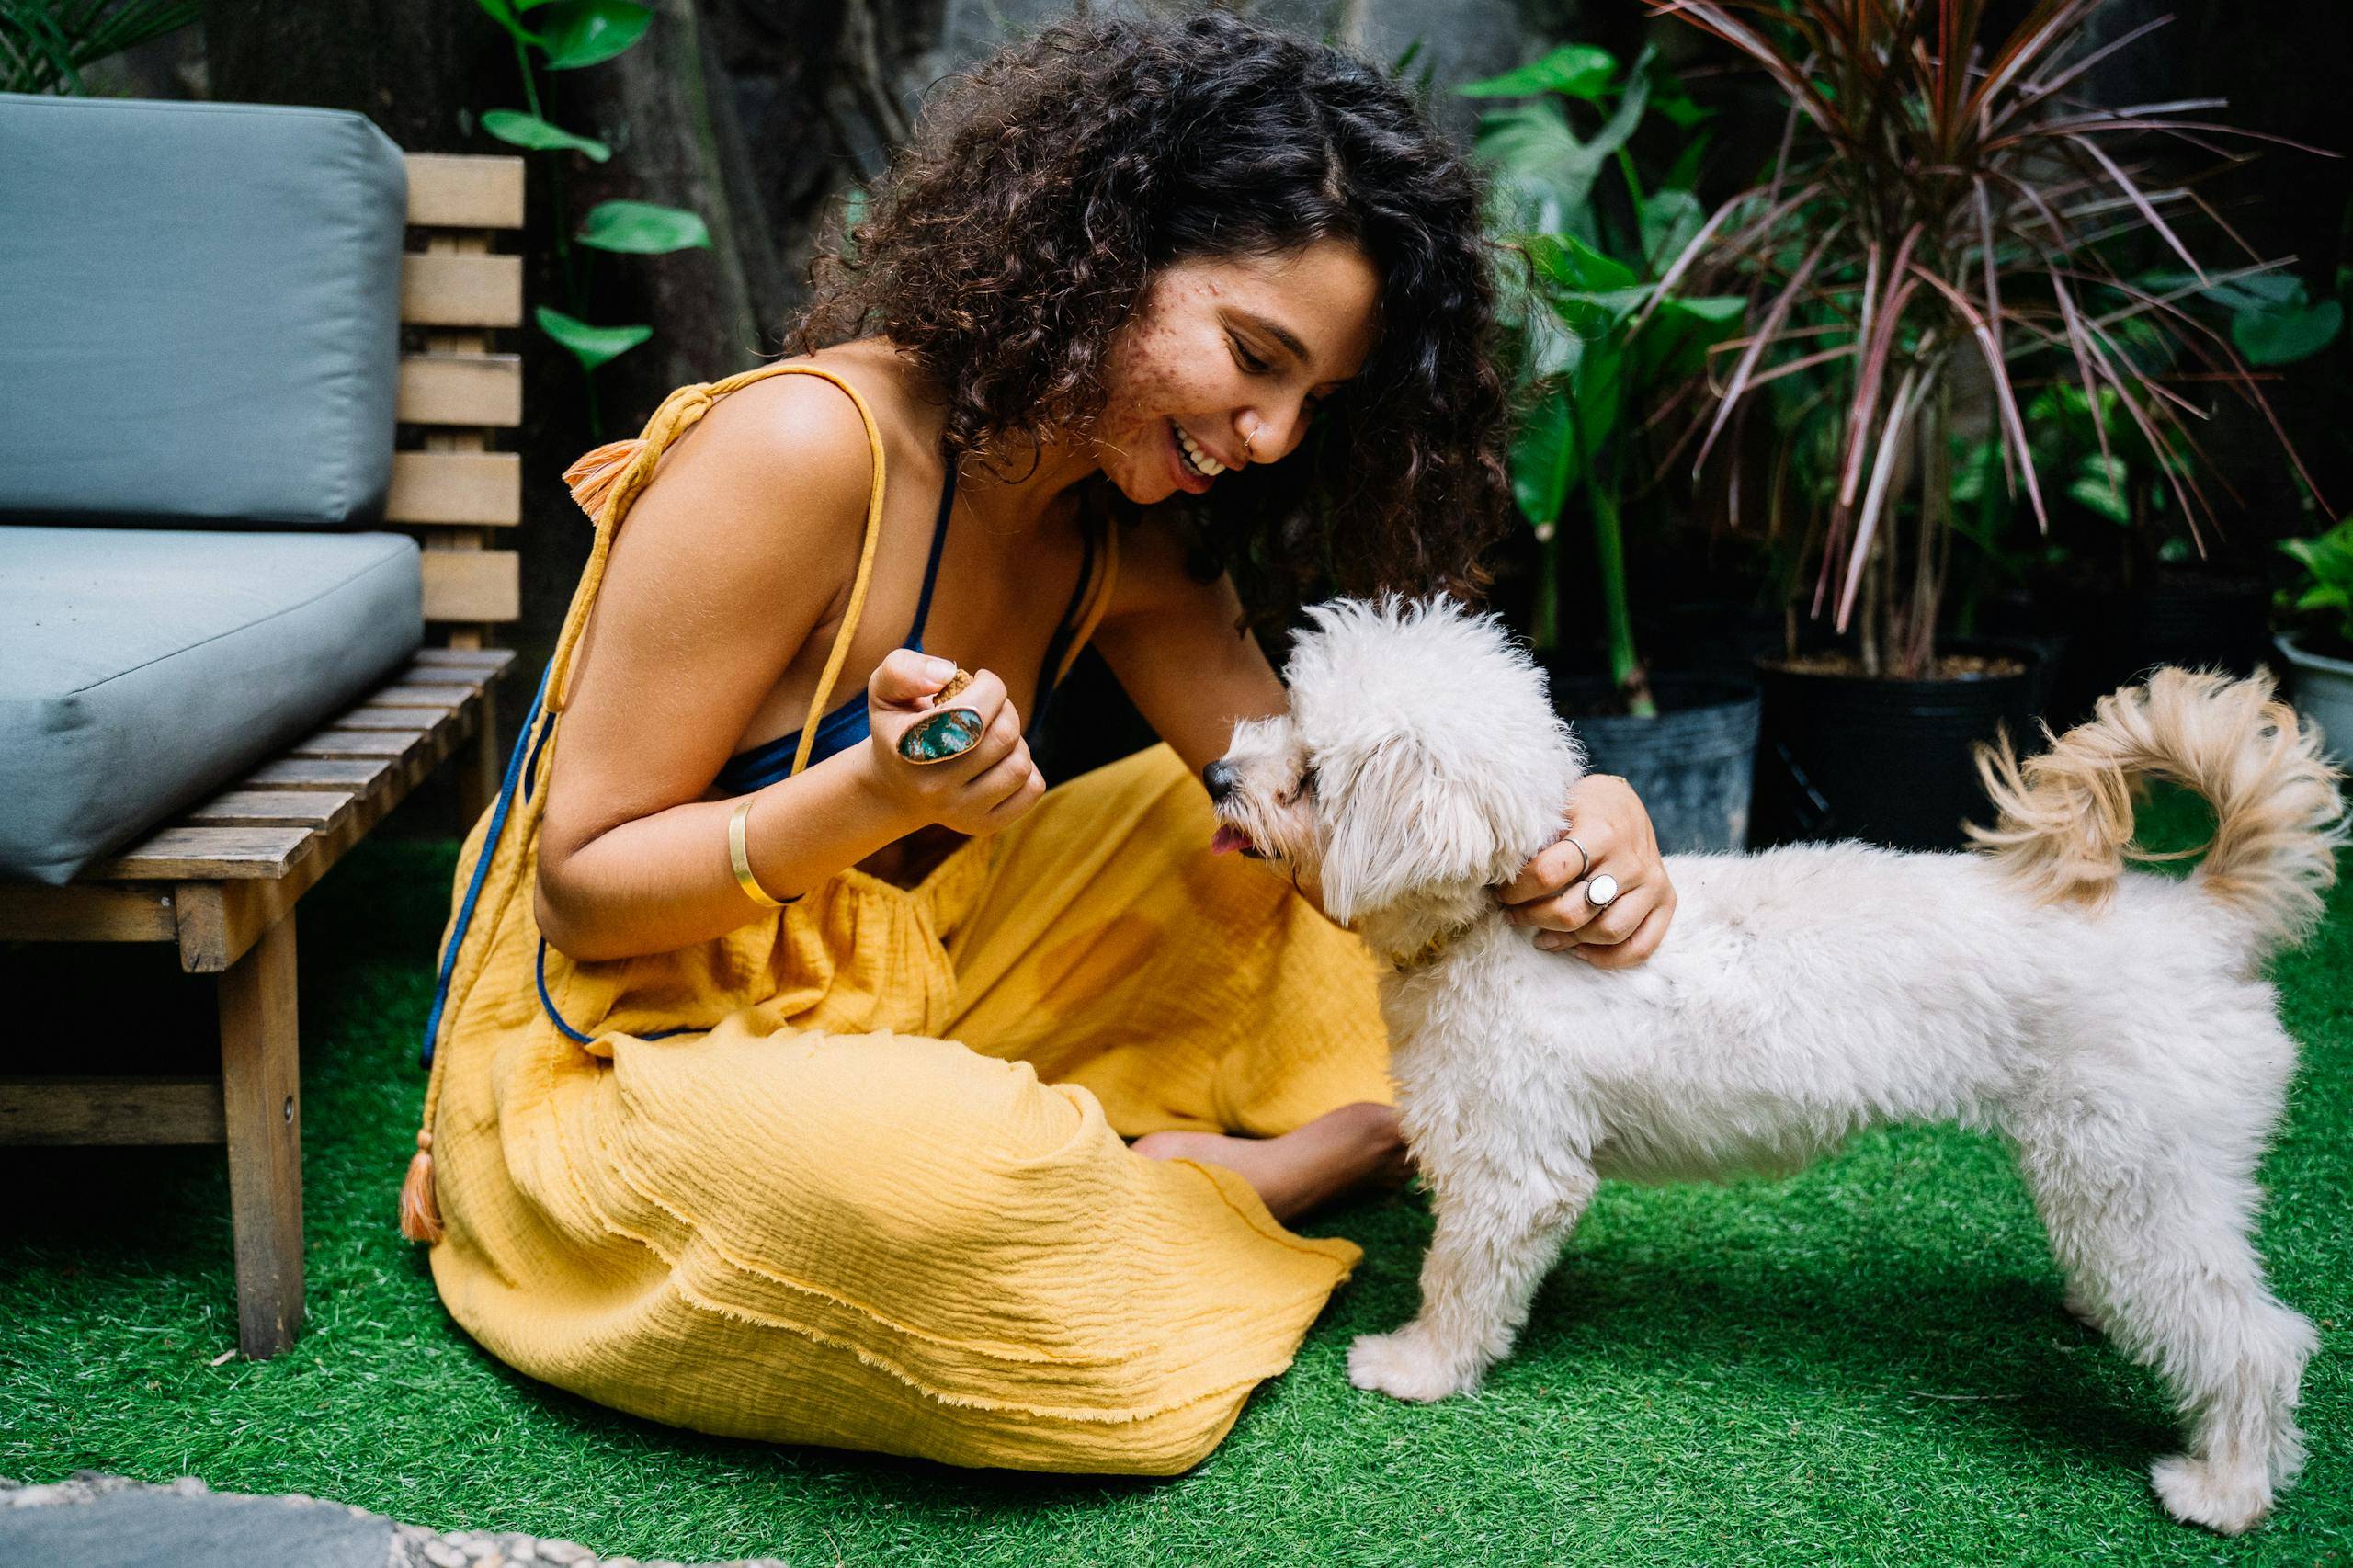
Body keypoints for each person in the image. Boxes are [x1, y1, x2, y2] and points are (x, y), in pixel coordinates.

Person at [401, 9, 1677, 1476]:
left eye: (1311, 402)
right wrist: (870, 792)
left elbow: (1338, 826)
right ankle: (1247, 1169)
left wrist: (1578, 812)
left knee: (1312, 870)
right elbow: (583, 887)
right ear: (1108, 242)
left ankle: (1269, 1149)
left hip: (921, 979)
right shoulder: (805, 452)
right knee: (948, 1183)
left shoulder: (1127, 534)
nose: (1267, 436)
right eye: (1253, 356)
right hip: (637, 1048)